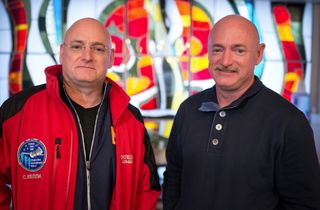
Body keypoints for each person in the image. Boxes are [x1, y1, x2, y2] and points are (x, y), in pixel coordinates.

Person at [0, 18, 160, 210]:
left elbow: (145, 193)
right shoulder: (18, 112)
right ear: (62, 53)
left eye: (98, 49)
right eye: (77, 47)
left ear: (111, 58)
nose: (87, 56)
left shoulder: (131, 120)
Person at [163, 14, 320, 210]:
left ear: (258, 54)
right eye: (218, 49)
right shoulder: (188, 109)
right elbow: (173, 178)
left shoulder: (289, 122)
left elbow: (303, 204)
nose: (226, 61)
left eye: (239, 50)